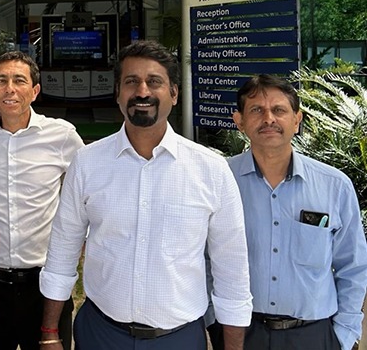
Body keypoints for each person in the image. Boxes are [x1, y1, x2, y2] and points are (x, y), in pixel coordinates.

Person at [39, 40, 253, 349]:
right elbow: (62, 250)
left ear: (175, 93)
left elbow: (232, 271)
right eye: (131, 82)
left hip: (179, 338)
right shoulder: (87, 163)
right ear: (117, 93)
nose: (142, 91)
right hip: (101, 334)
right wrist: (49, 334)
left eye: (154, 82)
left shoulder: (212, 170)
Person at [226, 75, 367, 350]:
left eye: (279, 110)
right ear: (239, 121)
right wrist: (214, 325)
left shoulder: (334, 185)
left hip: (314, 336)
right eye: (256, 110)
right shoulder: (220, 181)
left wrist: (344, 335)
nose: (269, 119)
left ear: (297, 120)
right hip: (241, 335)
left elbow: (354, 266)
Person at [0, 51, 84, 350]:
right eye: (1, 81)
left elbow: (86, 190)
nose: (10, 88)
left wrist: (83, 239)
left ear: (35, 90)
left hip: (44, 285)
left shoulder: (62, 135)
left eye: (19, 80)